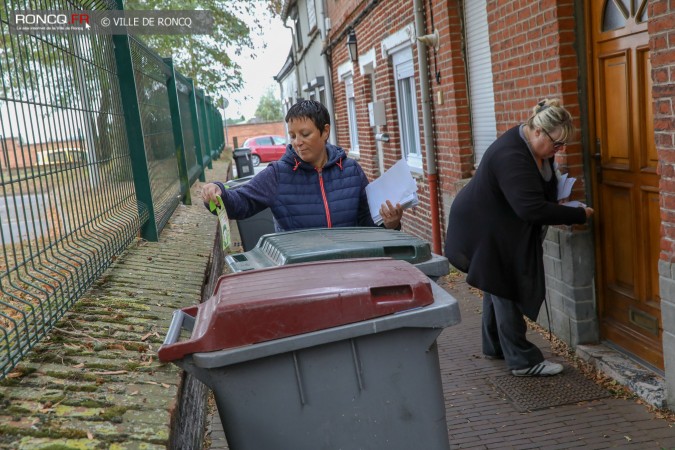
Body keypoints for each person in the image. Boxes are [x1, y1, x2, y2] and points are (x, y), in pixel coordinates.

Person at [444, 99, 594, 377]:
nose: (558, 151)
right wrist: (577, 215)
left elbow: (542, 187)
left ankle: (495, 346)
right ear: (538, 131)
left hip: (496, 225)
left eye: (562, 146)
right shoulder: (510, 155)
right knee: (505, 286)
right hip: (479, 228)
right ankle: (523, 361)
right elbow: (530, 208)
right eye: (556, 144)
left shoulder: (537, 147)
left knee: (495, 284)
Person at [201, 99, 403, 231]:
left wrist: (391, 224)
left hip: (349, 267)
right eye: (293, 135)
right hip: (300, 273)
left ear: (325, 132)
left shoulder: (351, 170)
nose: (297, 141)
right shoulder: (278, 174)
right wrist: (219, 192)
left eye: (305, 134)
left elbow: (367, 223)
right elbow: (240, 203)